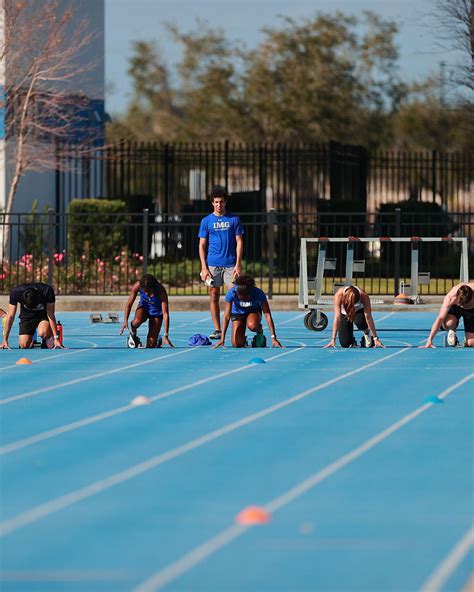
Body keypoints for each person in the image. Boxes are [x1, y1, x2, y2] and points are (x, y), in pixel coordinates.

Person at [199, 185, 244, 340]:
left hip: (231, 264)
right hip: (213, 265)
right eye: (216, 202)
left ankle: (237, 326)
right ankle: (218, 329)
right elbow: (202, 245)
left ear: (225, 202)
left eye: (222, 202)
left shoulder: (234, 220)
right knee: (214, 295)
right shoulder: (206, 221)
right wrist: (204, 267)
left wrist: (238, 264)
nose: (219, 205)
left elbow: (239, 242)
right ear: (212, 202)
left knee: (234, 294)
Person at [213, 275, 282, 348]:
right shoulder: (232, 293)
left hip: (253, 312)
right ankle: (243, 340)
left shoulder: (258, 293)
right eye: (240, 298)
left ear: (250, 292)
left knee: (252, 325)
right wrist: (222, 338)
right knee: (236, 344)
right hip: (238, 313)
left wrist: (273, 337)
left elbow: (267, 315)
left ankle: (259, 332)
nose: (243, 300)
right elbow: (226, 316)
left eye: (245, 298)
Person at [1, 282, 64, 350]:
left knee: (43, 333)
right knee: (23, 345)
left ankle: (48, 336)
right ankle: (32, 335)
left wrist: (56, 338)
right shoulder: (16, 292)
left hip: (43, 315)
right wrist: (5, 339)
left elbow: (51, 315)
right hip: (27, 316)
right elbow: (10, 316)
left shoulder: (47, 291)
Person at [120, 274, 174, 348]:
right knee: (136, 321)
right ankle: (133, 334)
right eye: (144, 292)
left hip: (157, 313)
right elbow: (129, 304)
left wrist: (166, 335)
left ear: (153, 287)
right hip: (144, 308)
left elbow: (165, 314)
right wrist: (125, 320)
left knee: (151, 345)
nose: (146, 294)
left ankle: (157, 339)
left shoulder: (160, 290)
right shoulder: (137, 286)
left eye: (148, 292)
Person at [422, 282, 474, 348]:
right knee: (448, 324)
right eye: (461, 304)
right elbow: (440, 318)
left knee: (471, 343)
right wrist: (429, 340)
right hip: (456, 308)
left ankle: (467, 339)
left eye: (465, 304)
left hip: (471, 312)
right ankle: (453, 329)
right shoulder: (450, 298)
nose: (463, 306)